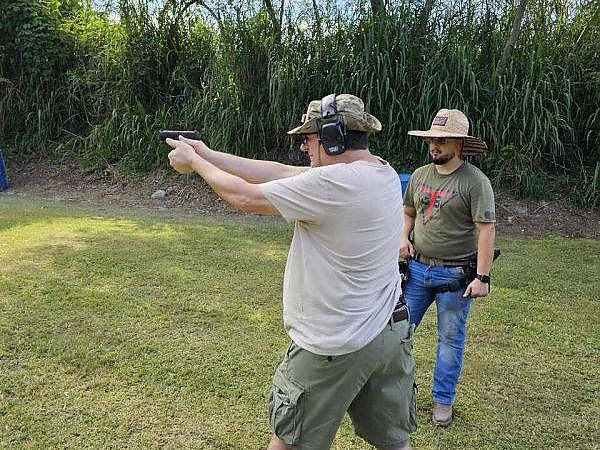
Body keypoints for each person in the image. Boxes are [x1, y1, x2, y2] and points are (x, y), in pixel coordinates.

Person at [166, 93, 416, 450]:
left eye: (308, 138)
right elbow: (282, 172)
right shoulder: (381, 171)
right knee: (394, 443)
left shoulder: (335, 184)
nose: (303, 147)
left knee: (288, 442)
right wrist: (205, 152)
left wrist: (194, 164)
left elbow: (247, 198)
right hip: (388, 330)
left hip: (336, 343)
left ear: (332, 137)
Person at [400, 108, 496, 427]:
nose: (435, 145)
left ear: (459, 143)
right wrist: (403, 237)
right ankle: (399, 393)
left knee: (450, 339)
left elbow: (486, 230)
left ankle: (442, 402)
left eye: (442, 140)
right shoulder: (420, 175)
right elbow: (409, 212)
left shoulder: (475, 182)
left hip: (455, 275)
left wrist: (482, 277)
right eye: (432, 139)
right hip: (415, 271)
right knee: (397, 333)